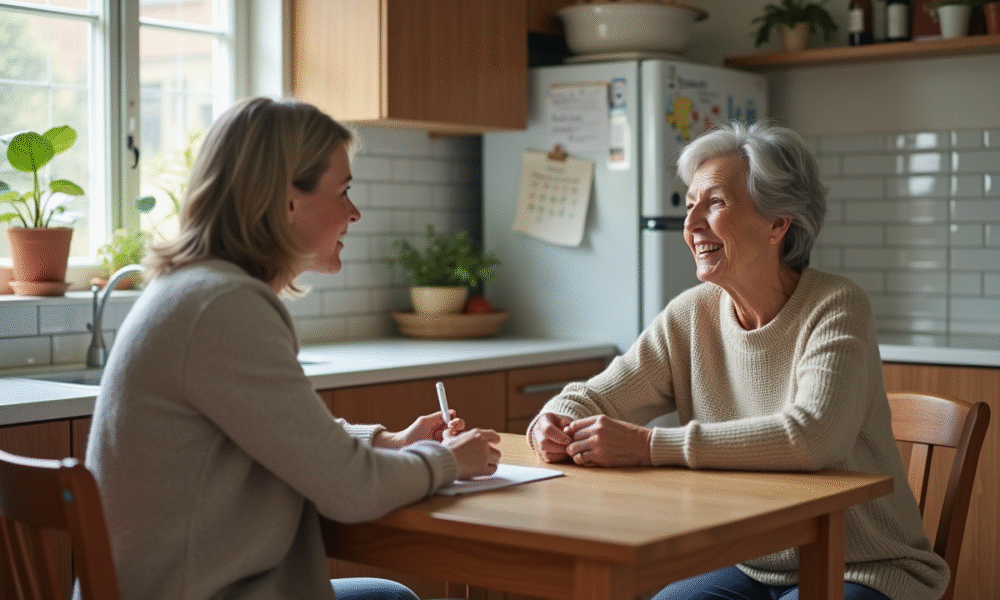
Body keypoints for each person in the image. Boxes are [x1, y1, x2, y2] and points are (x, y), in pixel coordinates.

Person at [82, 97, 501, 600]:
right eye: (343, 191)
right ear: (285, 199)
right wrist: (448, 460)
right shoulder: (224, 307)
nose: (354, 212)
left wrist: (388, 442)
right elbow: (351, 490)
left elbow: (277, 434)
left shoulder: (194, 289)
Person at [526, 122, 949, 600]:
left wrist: (648, 446)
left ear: (777, 223)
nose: (691, 226)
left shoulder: (837, 306)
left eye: (716, 203)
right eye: (689, 206)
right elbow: (595, 396)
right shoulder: (691, 315)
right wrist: (552, 420)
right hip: (750, 563)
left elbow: (812, 438)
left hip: (866, 566)